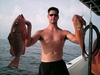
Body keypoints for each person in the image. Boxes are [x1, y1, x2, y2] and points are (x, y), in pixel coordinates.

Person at [25, 7, 79, 75]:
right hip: (45, 66)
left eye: (55, 15)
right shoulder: (41, 32)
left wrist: (77, 24)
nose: (53, 16)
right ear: (48, 16)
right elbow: (28, 43)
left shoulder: (64, 32)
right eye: (51, 15)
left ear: (58, 17)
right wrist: (29, 26)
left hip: (60, 64)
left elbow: (78, 40)